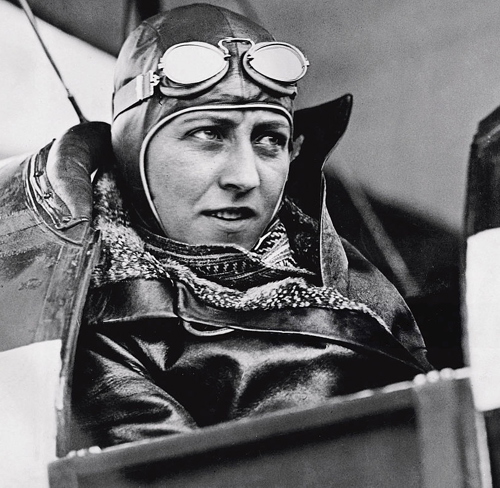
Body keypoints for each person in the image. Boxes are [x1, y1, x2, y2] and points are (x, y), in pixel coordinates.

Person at [0, 3, 431, 476]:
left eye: (269, 138)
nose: (245, 176)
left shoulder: (342, 272)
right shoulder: (93, 325)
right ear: (133, 153)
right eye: (209, 133)